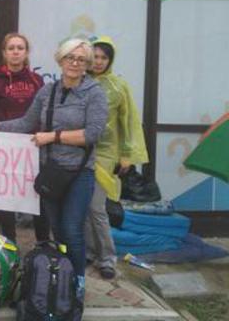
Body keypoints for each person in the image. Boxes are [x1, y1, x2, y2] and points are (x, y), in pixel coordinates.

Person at [0, 38, 108, 314]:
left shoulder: (95, 93)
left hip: (79, 173)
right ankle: (60, 282)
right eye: (70, 57)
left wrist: (53, 136)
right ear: (60, 60)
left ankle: (77, 285)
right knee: (57, 230)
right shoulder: (47, 91)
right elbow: (25, 123)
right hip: (50, 174)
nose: (75, 63)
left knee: (72, 230)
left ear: (87, 65)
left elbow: (93, 134)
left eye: (81, 59)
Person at [85, 35, 148, 279]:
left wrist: (127, 155)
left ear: (110, 60)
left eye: (104, 57)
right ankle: (90, 253)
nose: (99, 62)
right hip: (79, 150)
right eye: (95, 57)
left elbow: (129, 121)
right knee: (82, 207)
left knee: (97, 207)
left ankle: (107, 259)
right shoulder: (81, 82)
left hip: (105, 153)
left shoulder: (118, 86)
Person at [0, 32, 48, 244]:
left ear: (26, 52)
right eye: (11, 48)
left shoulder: (37, 81)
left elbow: (45, 114)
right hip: (5, 147)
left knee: (38, 196)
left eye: (20, 48)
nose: (16, 52)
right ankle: (10, 243)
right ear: (4, 53)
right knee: (6, 197)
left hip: (33, 146)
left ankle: (43, 242)